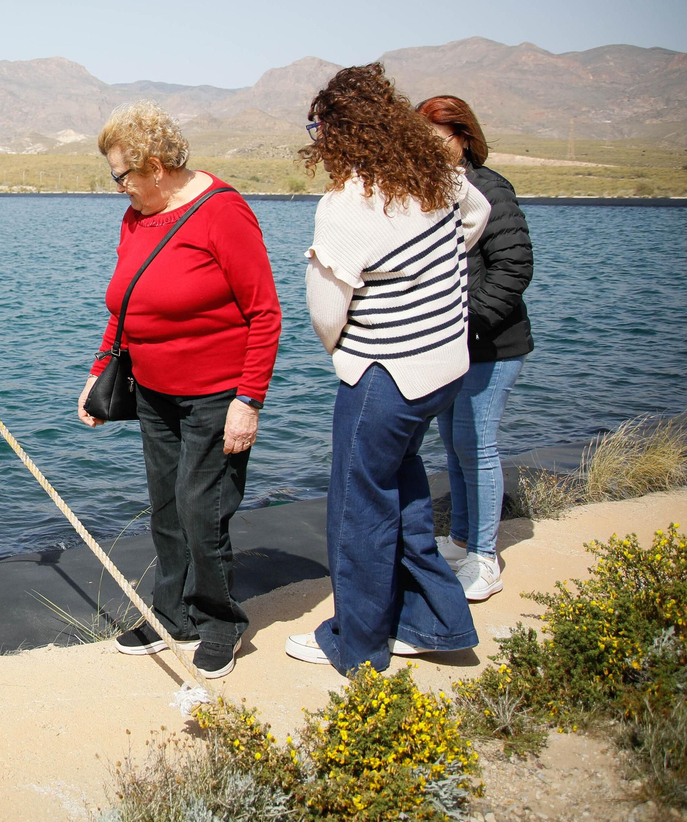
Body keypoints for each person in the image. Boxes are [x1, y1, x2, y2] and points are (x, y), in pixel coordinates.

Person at [284, 63, 489, 675]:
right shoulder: (437, 176)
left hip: (385, 376)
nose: (316, 138)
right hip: (445, 363)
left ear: (336, 133)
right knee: (402, 494)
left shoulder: (348, 205)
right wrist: (428, 282)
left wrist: (349, 349)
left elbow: (326, 313)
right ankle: (433, 621)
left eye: (318, 127)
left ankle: (358, 643)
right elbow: (474, 221)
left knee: (358, 511)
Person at [77, 101, 281, 680]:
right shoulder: (138, 215)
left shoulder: (224, 212)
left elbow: (265, 313)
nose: (117, 187)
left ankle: (219, 623)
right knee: (166, 508)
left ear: (157, 165)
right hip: (152, 392)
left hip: (218, 394)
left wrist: (250, 400)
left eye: (122, 174)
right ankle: (173, 614)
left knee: (201, 508)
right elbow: (125, 301)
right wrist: (99, 370)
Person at [416, 95, 534, 601]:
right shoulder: (433, 192)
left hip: (492, 345)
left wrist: (466, 322)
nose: (431, 148)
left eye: (440, 138)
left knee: (478, 445)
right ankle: (462, 540)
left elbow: (515, 267)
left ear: (464, 137)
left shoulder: (489, 188)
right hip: (453, 347)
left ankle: (485, 559)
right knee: (456, 443)